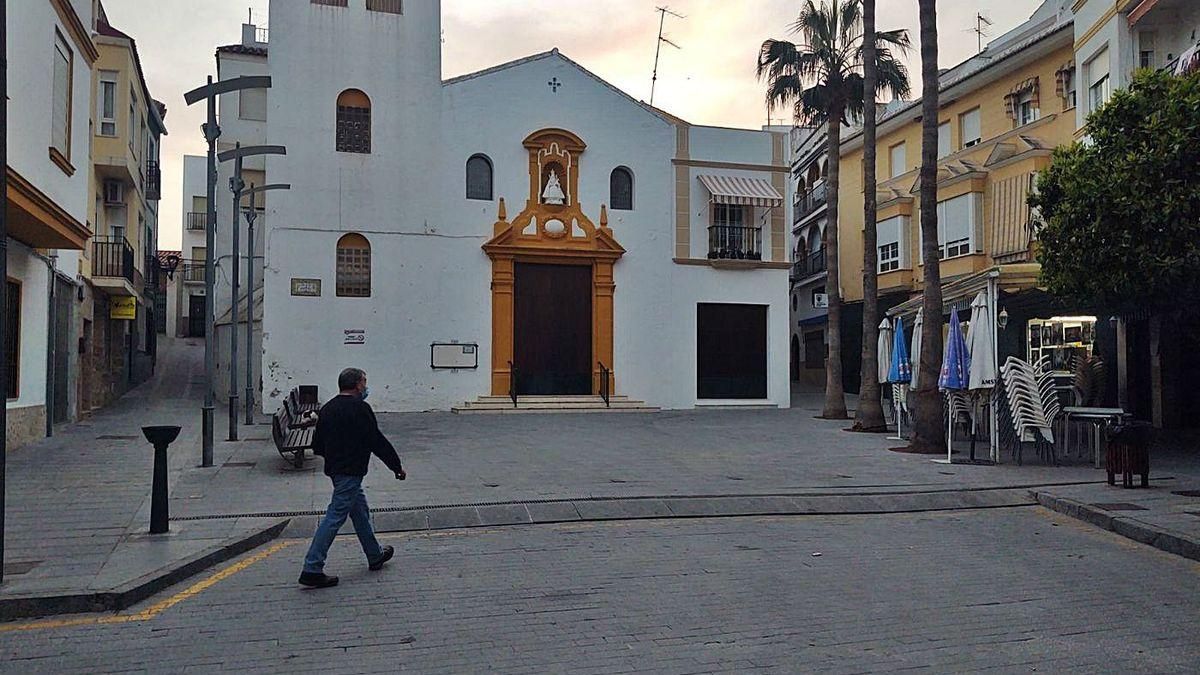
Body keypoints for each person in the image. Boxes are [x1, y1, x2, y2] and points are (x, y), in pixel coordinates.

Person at [299, 367, 406, 588]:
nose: (366, 387)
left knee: (360, 511)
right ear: (357, 384)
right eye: (364, 382)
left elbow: (317, 444)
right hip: (351, 471)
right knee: (334, 517)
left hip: (336, 470)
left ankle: (374, 554)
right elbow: (376, 441)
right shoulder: (361, 409)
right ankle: (312, 567)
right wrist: (396, 466)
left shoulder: (328, 408)